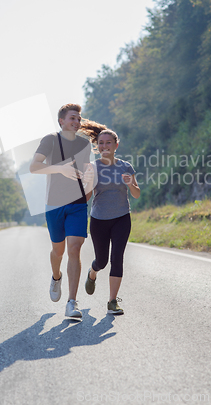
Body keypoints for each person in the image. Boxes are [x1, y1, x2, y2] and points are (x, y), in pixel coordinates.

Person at [30, 104, 94, 318]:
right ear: (61, 121)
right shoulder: (50, 140)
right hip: (54, 205)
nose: (77, 122)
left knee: (74, 248)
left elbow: (87, 175)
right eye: (72, 118)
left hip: (77, 205)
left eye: (79, 119)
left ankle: (72, 302)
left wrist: (88, 191)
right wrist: (60, 168)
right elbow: (34, 166)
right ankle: (56, 276)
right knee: (58, 251)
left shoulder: (85, 144)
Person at [79, 124, 140, 315]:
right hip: (99, 219)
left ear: (116, 145)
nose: (105, 146)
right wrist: (87, 182)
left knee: (117, 258)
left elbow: (136, 194)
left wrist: (131, 184)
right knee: (102, 261)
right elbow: (87, 198)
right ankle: (92, 272)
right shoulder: (92, 167)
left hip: (122, 217)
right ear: (97, 146)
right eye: (101, 143)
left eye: (109, 143)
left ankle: (112, 301)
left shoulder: (126, 166)